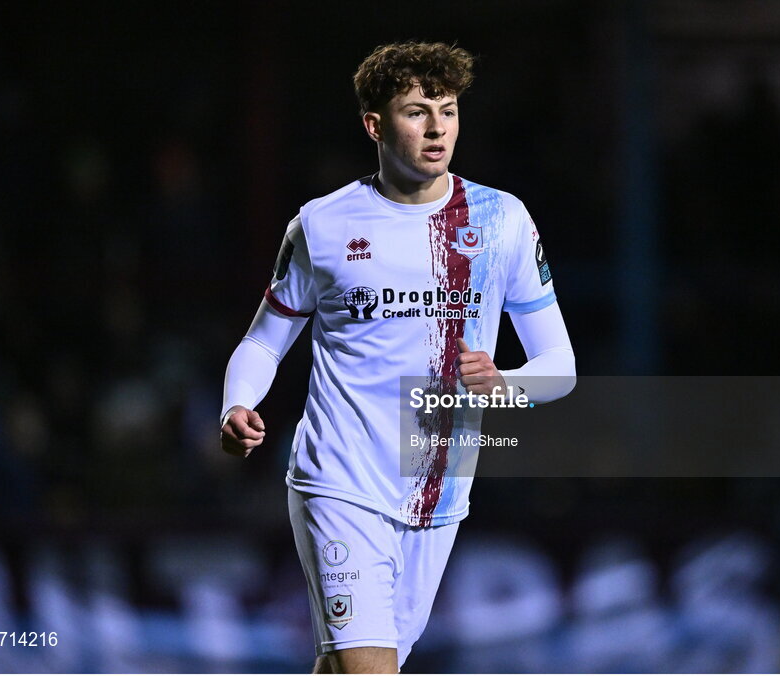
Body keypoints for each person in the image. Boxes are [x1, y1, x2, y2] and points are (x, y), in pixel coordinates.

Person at [220, 41, 576, 674]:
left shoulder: (502, 221)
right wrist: (237, 403)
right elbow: (263, 340)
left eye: (449, 110)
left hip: (439, 492)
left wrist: (507, 385)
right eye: (417, 111)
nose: (438, 127)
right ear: (374, 124)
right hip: (341, 479)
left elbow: (560, 366)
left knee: (345, 667)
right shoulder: (322, 225)